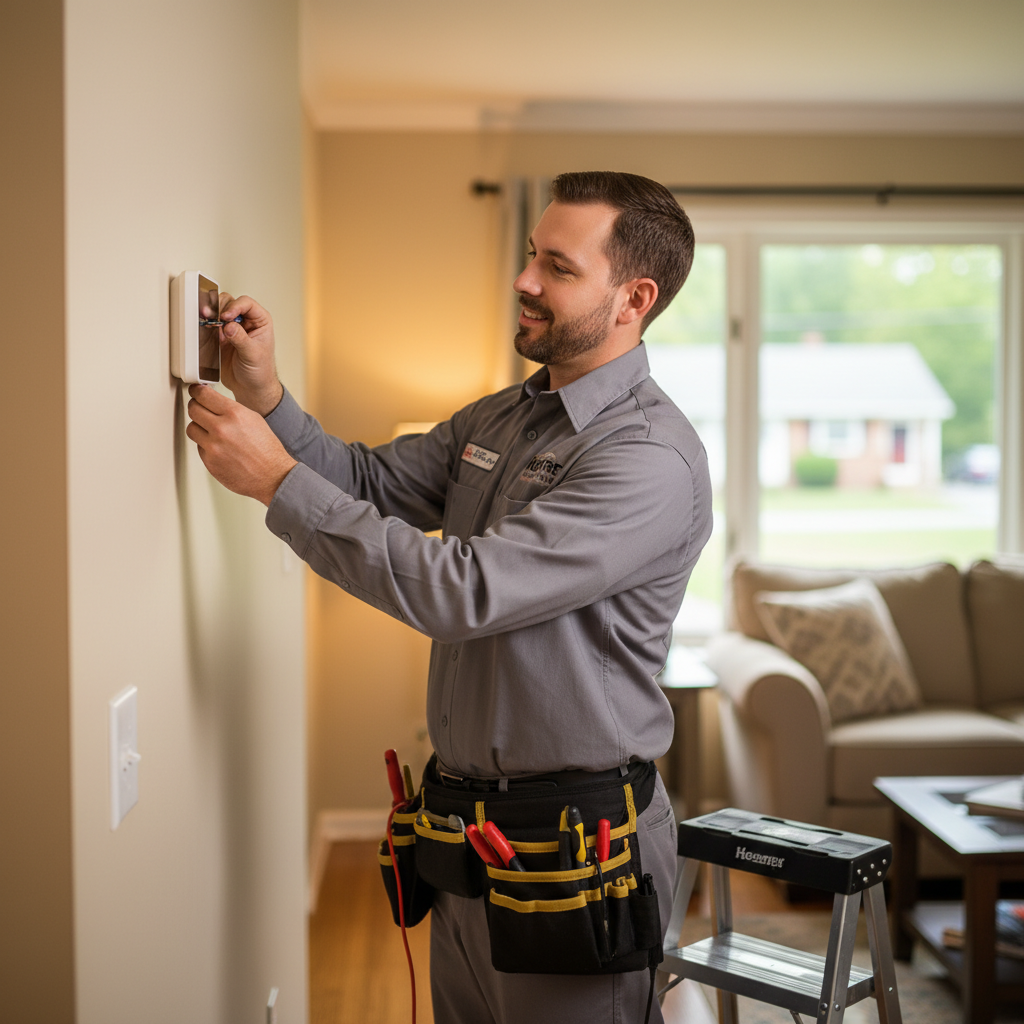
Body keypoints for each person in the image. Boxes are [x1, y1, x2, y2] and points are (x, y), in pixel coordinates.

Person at [185, 170, 712, 1024]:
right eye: (531, 254)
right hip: (463, 830)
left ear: (634, 299)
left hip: (579, 843)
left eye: (558, 267)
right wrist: (265, 396)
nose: (524, 279)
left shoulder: (648, 459)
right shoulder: (502, 417)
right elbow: (366, 481)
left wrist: (276, 483)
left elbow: (463, 590)